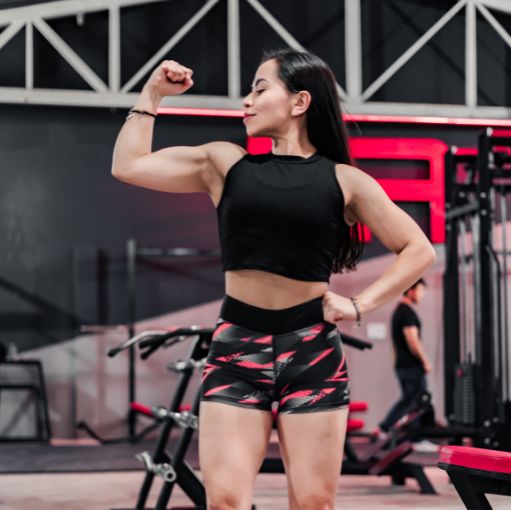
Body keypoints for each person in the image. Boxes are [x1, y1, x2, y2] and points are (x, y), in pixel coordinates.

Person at [111, 48, 436, 510]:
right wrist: (152, 93)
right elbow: (128, 165)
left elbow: (418, 249)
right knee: (224, 501)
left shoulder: (345, 181)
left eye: (259, 89)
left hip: (311, 351)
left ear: (300, 102)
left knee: (313, 504)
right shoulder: (225, 164)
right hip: (236, 348)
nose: (246, 100)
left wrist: (358, 305)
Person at [375, 278, 438, 452]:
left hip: (404, 366)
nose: (422, 295)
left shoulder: (400, 311)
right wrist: (425, 361)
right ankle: (416, 438)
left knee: (409, 400)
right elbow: (413, 340)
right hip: (411, 366)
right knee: (417, 402)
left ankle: (385, 428)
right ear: (411, 290)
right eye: (421, 291)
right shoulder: (406, 312)